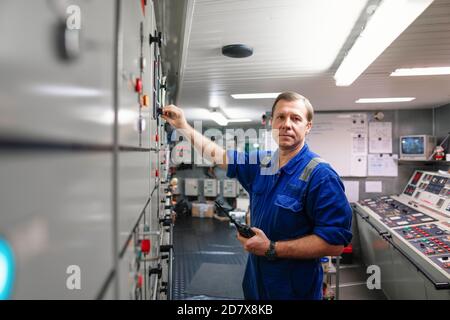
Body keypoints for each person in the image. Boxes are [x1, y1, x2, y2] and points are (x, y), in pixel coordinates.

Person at [162, 92, 352, 300]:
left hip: (294, 293)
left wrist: (272, 248)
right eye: (280, 117)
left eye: (296, 118)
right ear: (272, 123)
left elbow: (335, 243)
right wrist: (182, 125)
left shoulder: (321, 176)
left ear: (308, 126)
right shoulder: (262, 163)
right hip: (256, 287)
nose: (286, 124)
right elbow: (218, 155)